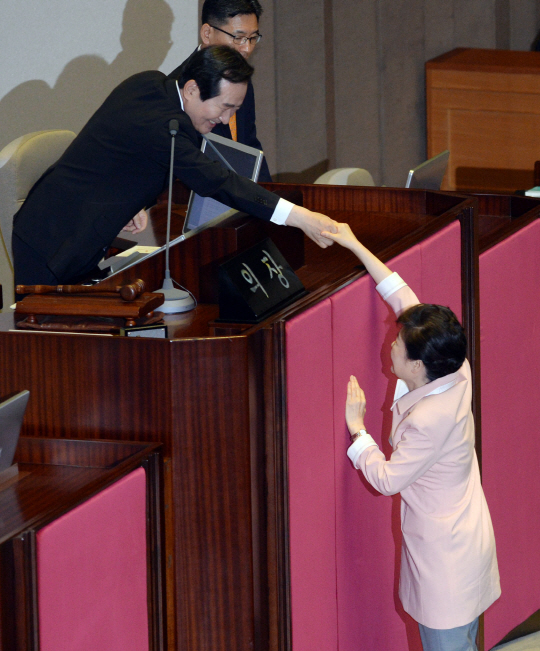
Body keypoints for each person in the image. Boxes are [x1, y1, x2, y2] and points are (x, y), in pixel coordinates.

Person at [12, 46, 337, 287]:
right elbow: (217, 181)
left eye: (234, 110)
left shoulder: (151, 83)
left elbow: (119, 150)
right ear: (193, 89)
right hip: (53, 246)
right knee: (49, 352)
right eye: (224, 108)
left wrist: (136, 199)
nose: (225, 119)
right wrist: (299, 216)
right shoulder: (165, 127)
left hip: (61, 227)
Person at [322, 223, 501, 651]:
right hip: (466, 538)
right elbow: (402, 295)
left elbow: (387, 479)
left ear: (419, 363)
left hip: (446, 567)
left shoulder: (431, 419)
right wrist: (353, 242)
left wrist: (357, 428)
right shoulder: (454, 367)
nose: (390, 345)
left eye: (398, 345)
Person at [168, 0, 272, 181]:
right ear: (207, 34)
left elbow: (248, 146)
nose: (246, 48)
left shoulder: (239, 81)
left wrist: (272, 201)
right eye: (238, 37)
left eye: (253, 38)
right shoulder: (178, 87)